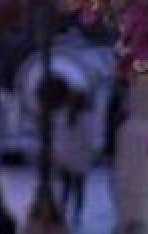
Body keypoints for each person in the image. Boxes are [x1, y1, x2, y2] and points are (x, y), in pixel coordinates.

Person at [54, 89, 96, 224]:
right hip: (80, 159)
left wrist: (58, 155)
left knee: (65, 188)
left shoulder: (62, 116)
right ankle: (77, 215)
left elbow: (58, 138)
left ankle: (62, 211)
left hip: (66, 158)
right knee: (79, 189)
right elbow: (89, 139)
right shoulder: (87, 118)